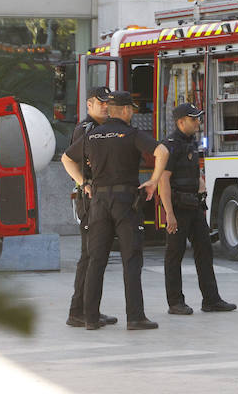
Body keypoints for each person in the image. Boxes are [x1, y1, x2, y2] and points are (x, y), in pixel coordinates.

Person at [61, 91, 169, 330]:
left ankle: (90, 318)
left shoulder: (92, 135)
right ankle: (135, 317)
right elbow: (162, 152)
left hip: (98, 202)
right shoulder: (131, 134)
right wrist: (153, 180)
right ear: (126, 110)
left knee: (96, 260)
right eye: (131, 108)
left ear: (110, 109)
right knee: (131, 259)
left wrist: (83, 183)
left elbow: (66, 159)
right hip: (125, 202)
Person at [163, 103, 236, 315]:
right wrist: (169, 213)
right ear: (181, 122)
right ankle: (175, 302)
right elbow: (163, 181)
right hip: (177, 207)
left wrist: (201, 188)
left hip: (194, 205)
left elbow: (195, 173)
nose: (197, 123)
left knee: (205, 250)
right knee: (174, 255)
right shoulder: (170, 145)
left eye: (198, 119)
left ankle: (211, 300)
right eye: (193, 119)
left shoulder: (192, 143)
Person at [65, 86, 118, 328]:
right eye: (101, 102)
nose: (106, 106)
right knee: (88, 257)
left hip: (101, 200)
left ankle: (90, 309)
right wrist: (83, 183)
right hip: (89, 202)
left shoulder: (104, 130)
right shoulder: (85, 130)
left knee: (97, 256)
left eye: (108, 103)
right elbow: (69, 160)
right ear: (89, 105)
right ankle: (78, 312)